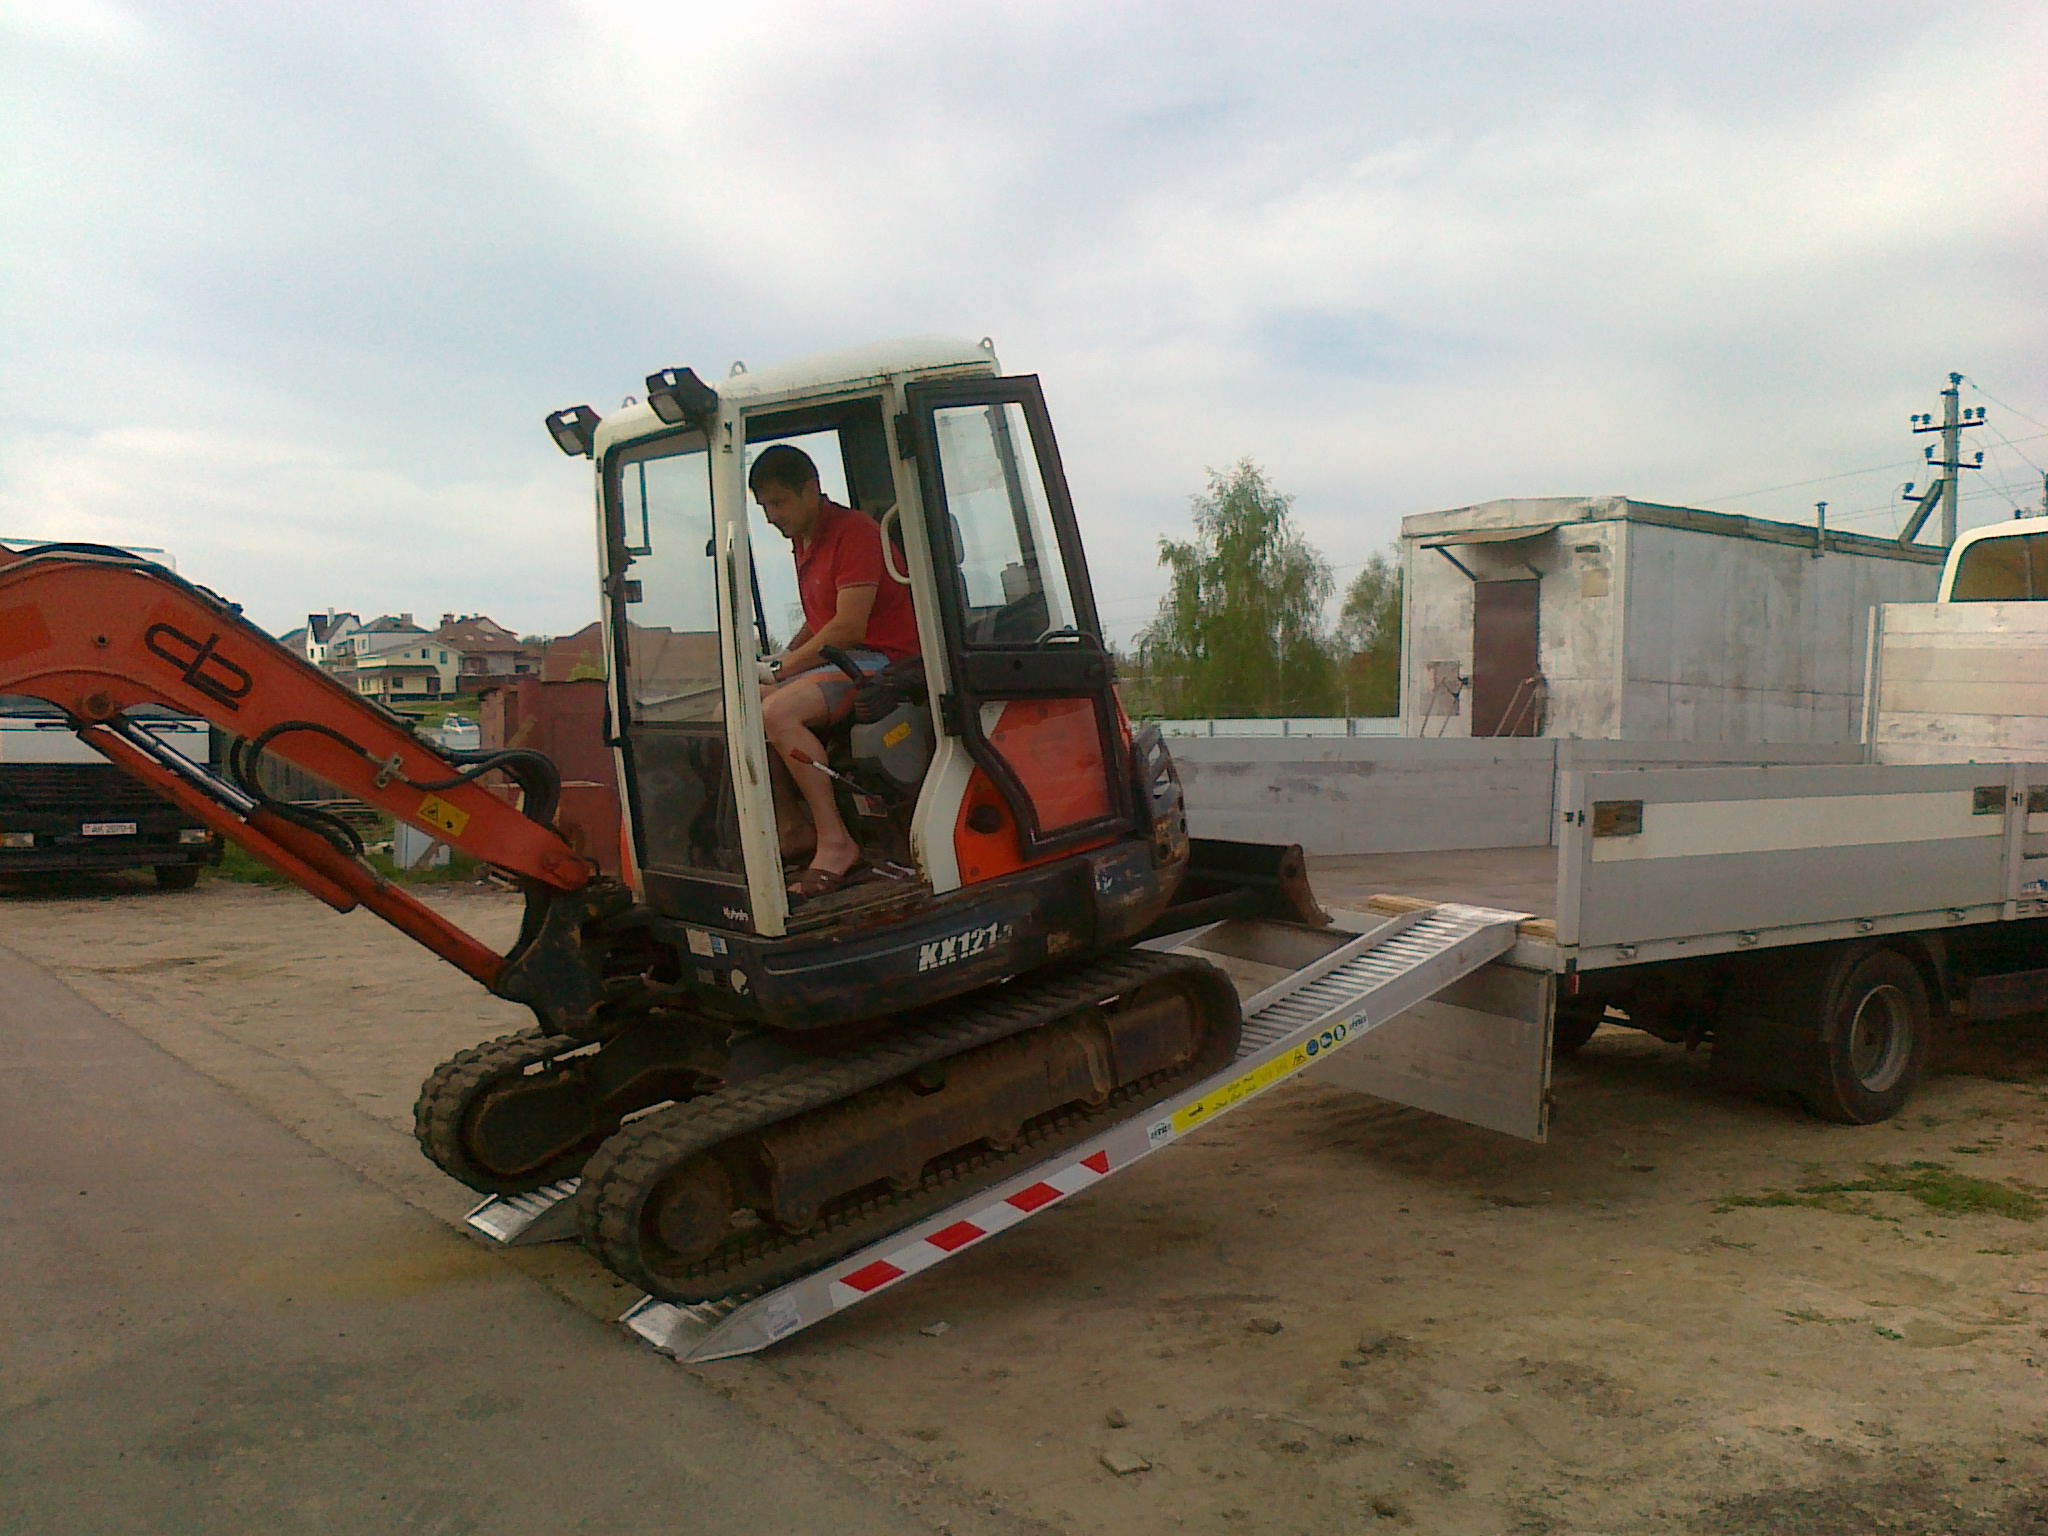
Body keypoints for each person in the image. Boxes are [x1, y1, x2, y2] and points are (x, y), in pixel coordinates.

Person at [749, 444, 920, 899]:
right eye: (764, 507)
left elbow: (847, 627)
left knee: (778, 713)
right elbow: (821, 619)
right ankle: (791, 828)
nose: (771, 517)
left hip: (884, 659)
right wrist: (780, 658)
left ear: (810, 490)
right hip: (848, 657)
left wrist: (782, 669)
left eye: (779, 503)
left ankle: (836, 842)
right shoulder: (804, 542)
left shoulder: (854, 534)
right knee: (740, 709)